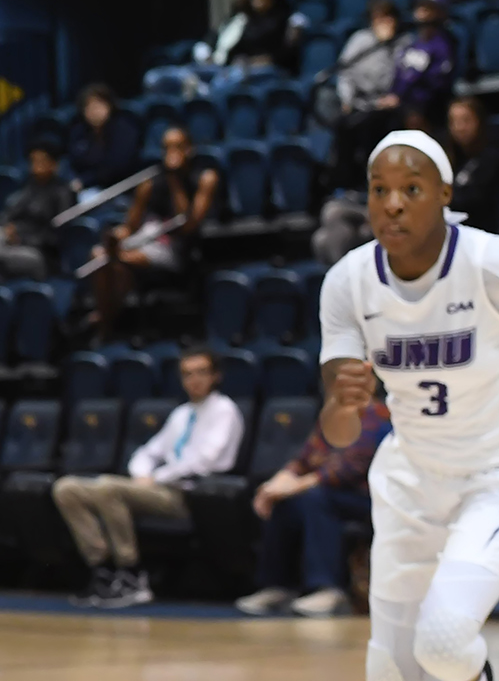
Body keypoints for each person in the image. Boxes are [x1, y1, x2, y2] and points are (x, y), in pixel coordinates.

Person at [320, 131, 499, 681]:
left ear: (444, 194)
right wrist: (344, 405)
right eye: (379, 190)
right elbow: (339, 432)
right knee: (391, 668)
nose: (392, 203)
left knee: (443, 643)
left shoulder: (491, 260)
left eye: (411, 189)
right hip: (413, 481)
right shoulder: (347, 281)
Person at [52, 346, 244, 608]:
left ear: (215, 376)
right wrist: (142, 474)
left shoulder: (224, 410)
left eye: (201, 372)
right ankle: (103, 570)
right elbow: (148, 452)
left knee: (109, 487)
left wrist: (156, 478)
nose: (194, 380)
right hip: (160, 489)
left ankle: (131, 576)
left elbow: (204, 460)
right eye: (188, 374)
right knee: (67, 488)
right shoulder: (182, 414)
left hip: (191, 494)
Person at [236, 400, 391, 618]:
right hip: (329, 492)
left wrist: (294, 486)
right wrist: (274, 487)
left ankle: (327, 588)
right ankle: (278, 586)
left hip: (369, 497)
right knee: (283, 500)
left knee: (313, 498)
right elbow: (303, 460)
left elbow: (350, 468)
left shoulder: (377, 415)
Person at [87, 127, 220, 340]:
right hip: (147, 237)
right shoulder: (150, 181)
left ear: (189, 149)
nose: (171, 153)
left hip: (176, 247)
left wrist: (174, 180)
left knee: (114, 260)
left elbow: (187, 226)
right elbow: (130, 226)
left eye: (177, 147)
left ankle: (103, 322)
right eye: (166, 148)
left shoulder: (205, 177)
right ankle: (108, 324)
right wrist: (115, 236)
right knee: (101, 258)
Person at [0, 142, 75, 283]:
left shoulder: (63, 193)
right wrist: (8, 229)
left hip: (40, 254)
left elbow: (57, 236)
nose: (36, 165)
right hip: (12, 246)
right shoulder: (30, 187)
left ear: (54, 164)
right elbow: (9, 213)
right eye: (33, 160)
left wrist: (21, 239)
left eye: (41, 160)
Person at [331, 0, 404, 191]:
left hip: (388, 104)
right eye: (378, 18)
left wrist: (386, 45)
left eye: (387, 17)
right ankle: (346, 184)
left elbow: (400, 76)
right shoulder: (360, 40)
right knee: (342, 126)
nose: (383, 23)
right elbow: (344, 71)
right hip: (360, 102)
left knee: (374, 125)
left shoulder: (403, 43)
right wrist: (347, 99)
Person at [390, 0, 458, 131]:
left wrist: (409, 103)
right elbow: (400, 74)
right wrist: (396, 96)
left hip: (430, 110)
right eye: (421, 7)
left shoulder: (444, 44)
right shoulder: (412, 43)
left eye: (429, 8)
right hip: (405, 107)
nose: (423, 12)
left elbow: (437, 83)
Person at [444, 97, 499, 233]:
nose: (459, 127)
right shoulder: (451, 159)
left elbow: (477, 200)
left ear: (479, 121)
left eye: (466, 121)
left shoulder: (492, 158)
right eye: (454, 122)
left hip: (486, 232)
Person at [68, 83, 143, 195]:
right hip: (86, 190)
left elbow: (118, 166)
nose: (94, 111)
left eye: (98, 105)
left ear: (110, 105)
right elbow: (73, 161)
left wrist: (86, 180)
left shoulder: (125, 127)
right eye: (89, 107)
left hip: (121, 189)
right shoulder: (79, 132)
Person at [228, 0, 296, 70]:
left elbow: (288, 51)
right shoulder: (249, 21)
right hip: (247, 67)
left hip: (273, 68)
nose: (258, 0)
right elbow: (238, 48)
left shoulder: (284, 20)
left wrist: (268, 60)